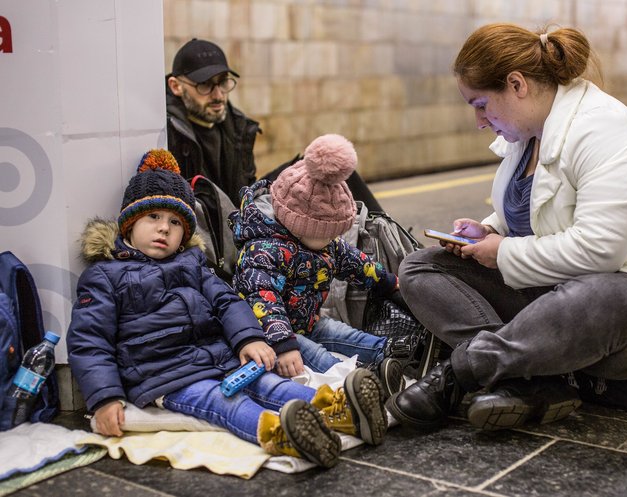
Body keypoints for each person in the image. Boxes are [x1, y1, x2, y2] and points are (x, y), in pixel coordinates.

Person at [386, 23, 627, 432]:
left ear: (516, 84)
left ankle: (465, 371)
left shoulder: (606, 128)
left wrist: (502, 253)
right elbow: (543, 214)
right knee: (421, 268)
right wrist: (489, 230)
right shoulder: (526, 135)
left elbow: (602, 252)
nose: (479, 121)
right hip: (554, 299)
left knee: (602, 294)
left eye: (480, 104)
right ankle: (529, 379)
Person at [66, 149, 389, 469]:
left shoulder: (193, 265)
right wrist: (105, 398)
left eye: (175, 222)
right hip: (166, 375)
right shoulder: (104, 276)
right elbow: (90, 341)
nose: (164, 228)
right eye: (153, 217)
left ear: (185, 235)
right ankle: (282, 434)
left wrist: (248, 339)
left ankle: (341, 412)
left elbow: (228, 301)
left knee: (269, 383)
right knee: (226, 403)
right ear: (128, 225)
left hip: (221, 356)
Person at [230, 134, 407, 398]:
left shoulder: (324, 244)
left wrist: (387, 282)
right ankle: (355, 382)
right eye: (326, 232)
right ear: (298, 224)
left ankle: (390, 354)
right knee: (317, 356)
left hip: (310, 321)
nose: (332, 240)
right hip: (273, 333)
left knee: (346, 335)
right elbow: (261, 300)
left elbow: (354, 262)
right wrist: (284, 345)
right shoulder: (262, 251)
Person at [165, 38, 383, 211]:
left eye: (222, 82)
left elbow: (245, 187)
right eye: (205, 85)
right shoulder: (168, 131)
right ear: (176, 86)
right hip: (211, 231)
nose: (218, 95)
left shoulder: (237, 124)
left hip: (242, 209)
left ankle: (394, 244)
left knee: (329, 166)